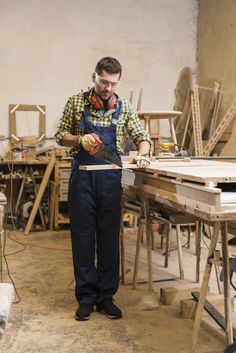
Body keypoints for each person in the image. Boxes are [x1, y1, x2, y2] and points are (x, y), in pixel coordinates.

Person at [55, 56, 151, 321]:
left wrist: (143, 154)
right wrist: (78, 139)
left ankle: (105, 297)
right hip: (83, 179)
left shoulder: (125, 107)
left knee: (109, 239)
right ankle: (85, 297)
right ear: (93, 77)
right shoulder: (76, 102)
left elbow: (142, 138)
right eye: (104, 82)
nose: (108, 88)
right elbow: (60, 135)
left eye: (113, 83)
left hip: (110, 181)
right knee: (83, 239)